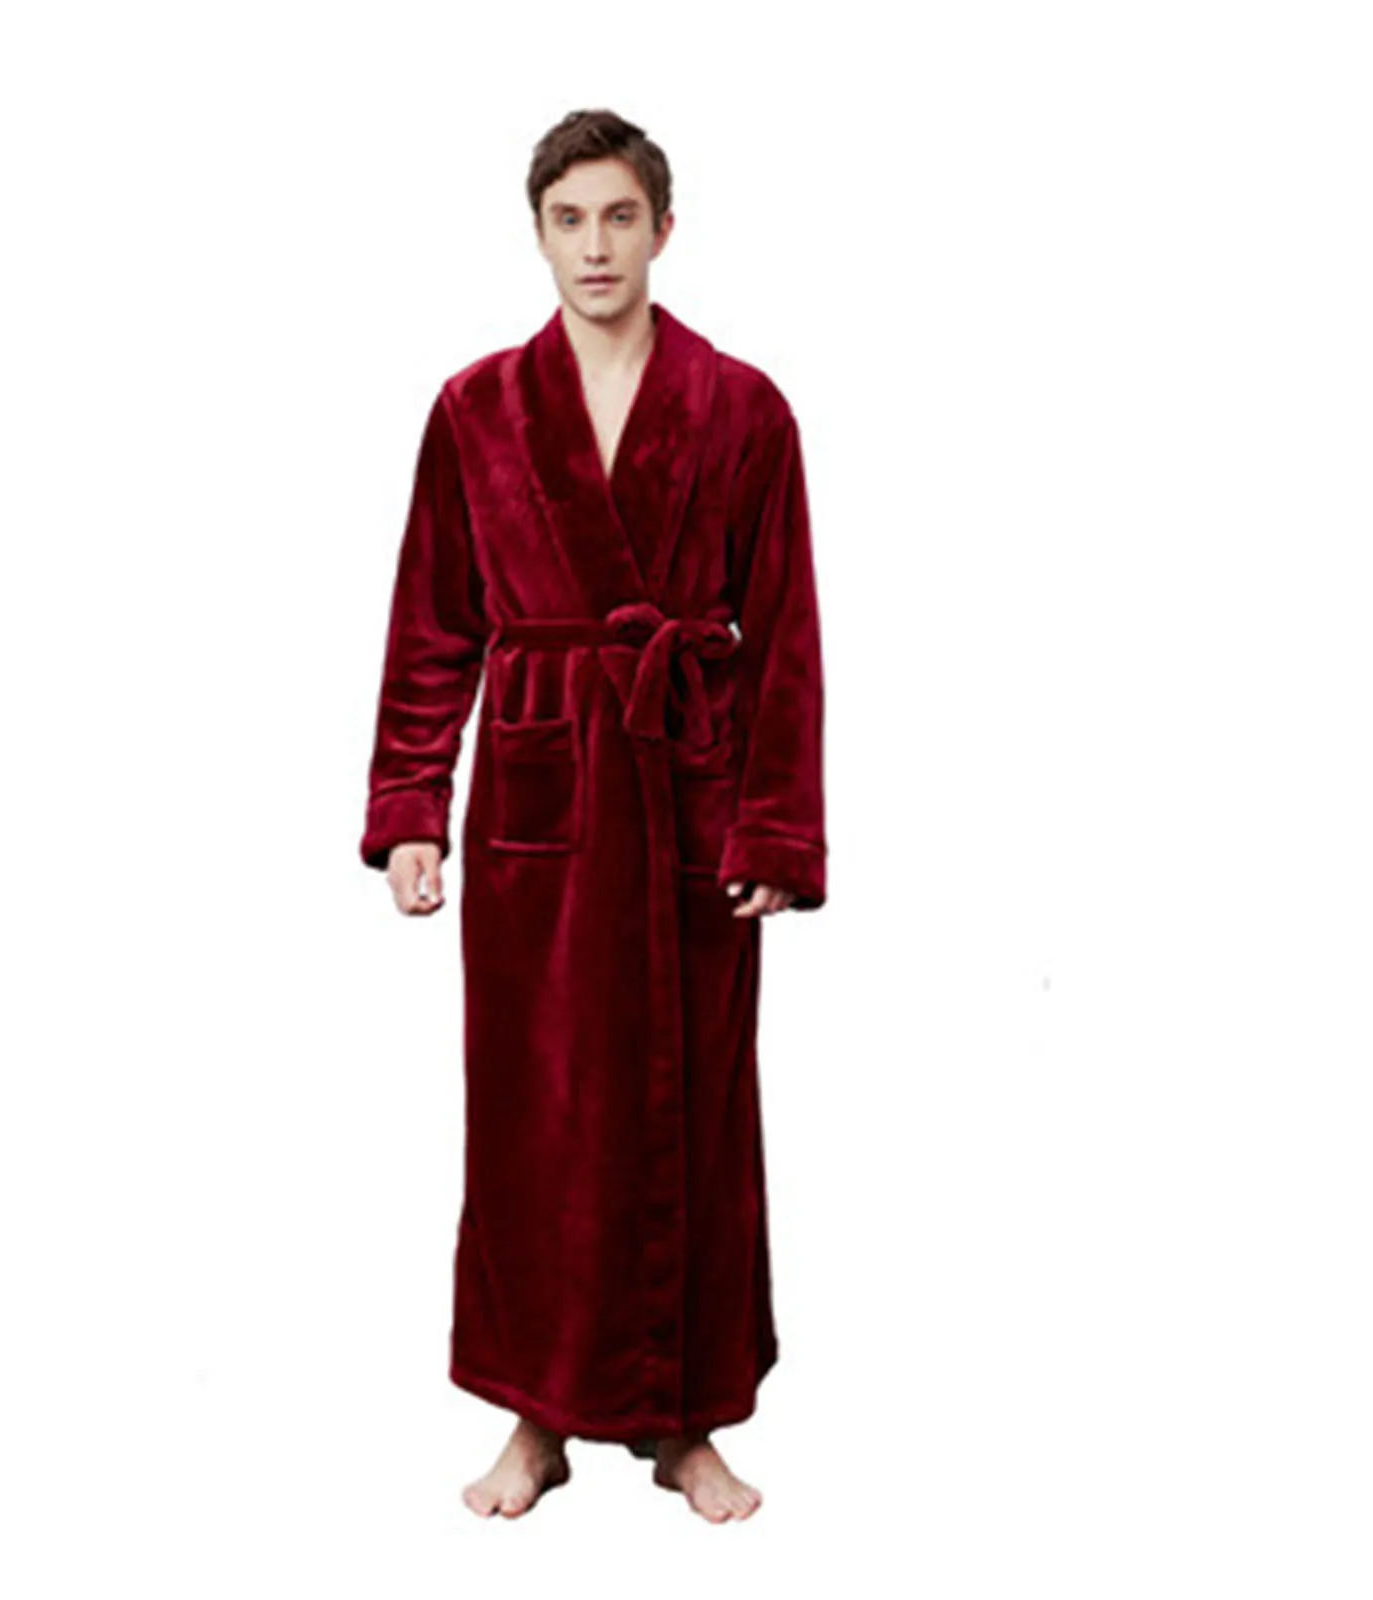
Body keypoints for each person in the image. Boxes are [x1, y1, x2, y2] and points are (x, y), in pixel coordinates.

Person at [359, 108, 828, 1523]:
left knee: (693, 1117)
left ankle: (686, 1423)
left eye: (621, 216)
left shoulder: (743, 410)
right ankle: (536, 1415)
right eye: (570, 220)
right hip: (541, 809)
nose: (597, 246)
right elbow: (434, 625)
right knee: (534, 1121)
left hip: (687, 799)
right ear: (539, 235)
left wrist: (773, 830)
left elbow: (785, 637)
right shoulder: (475, 411)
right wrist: (413, 808)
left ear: (663, 229)